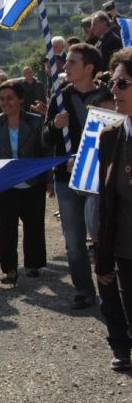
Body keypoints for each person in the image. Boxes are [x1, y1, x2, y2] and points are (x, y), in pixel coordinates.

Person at [44, 43, 110, 310]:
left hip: (99, 180)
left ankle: (109, 291)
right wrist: (54, 125)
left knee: (103, 238)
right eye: (66, 61)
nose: (66, 67)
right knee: (73, 242)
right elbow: (45, 138)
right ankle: (84, 290)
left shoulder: (107, 96)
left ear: (89, 68)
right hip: (66, 179)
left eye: (72, 62)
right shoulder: (59, 97)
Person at [0, 81, 48, 285]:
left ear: (21, 99)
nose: (5, 102)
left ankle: (33, 265)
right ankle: (9, 269)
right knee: (6, 229)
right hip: (4, 185)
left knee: (34, 226)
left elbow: (45, 151)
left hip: (33, 183)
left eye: (9, 98)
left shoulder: (36, 122)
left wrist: (49, 181)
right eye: (1, 99)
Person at [95, 49, 132, 371]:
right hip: (126, 250)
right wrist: (104, 256)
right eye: (112, 83)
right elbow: (106, 202)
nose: (114, 90)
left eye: (122, 83)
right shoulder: (110, 137)